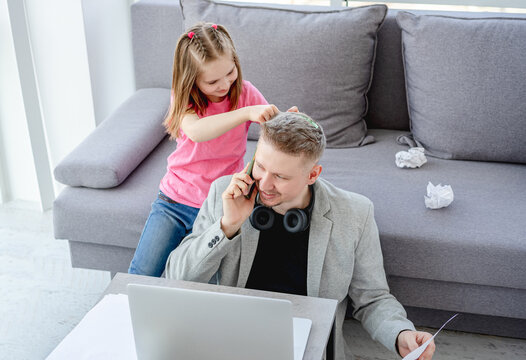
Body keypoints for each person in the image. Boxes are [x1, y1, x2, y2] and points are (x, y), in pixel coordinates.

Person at [165, 112, 436, 360]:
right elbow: (176, 279)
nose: (264, 184)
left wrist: (401, 333)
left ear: (312, 174)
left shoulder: (355, 214)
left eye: (281, 176)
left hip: (311, 350)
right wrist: (227, 225)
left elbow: (373, 298)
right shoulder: (225, 193)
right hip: (235, 342)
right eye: (259, 166)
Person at [128, 22, 284, 276]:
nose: (224, 84)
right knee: (142, 273)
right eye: (212, 81)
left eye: (230, 72)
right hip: (174, 203)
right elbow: (198, 131)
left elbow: (274, 128)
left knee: (206, 279)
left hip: (219, 205)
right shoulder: (185, 99)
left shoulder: (245, 92)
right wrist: (245, 113)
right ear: (192, 80)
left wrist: (287, 121)